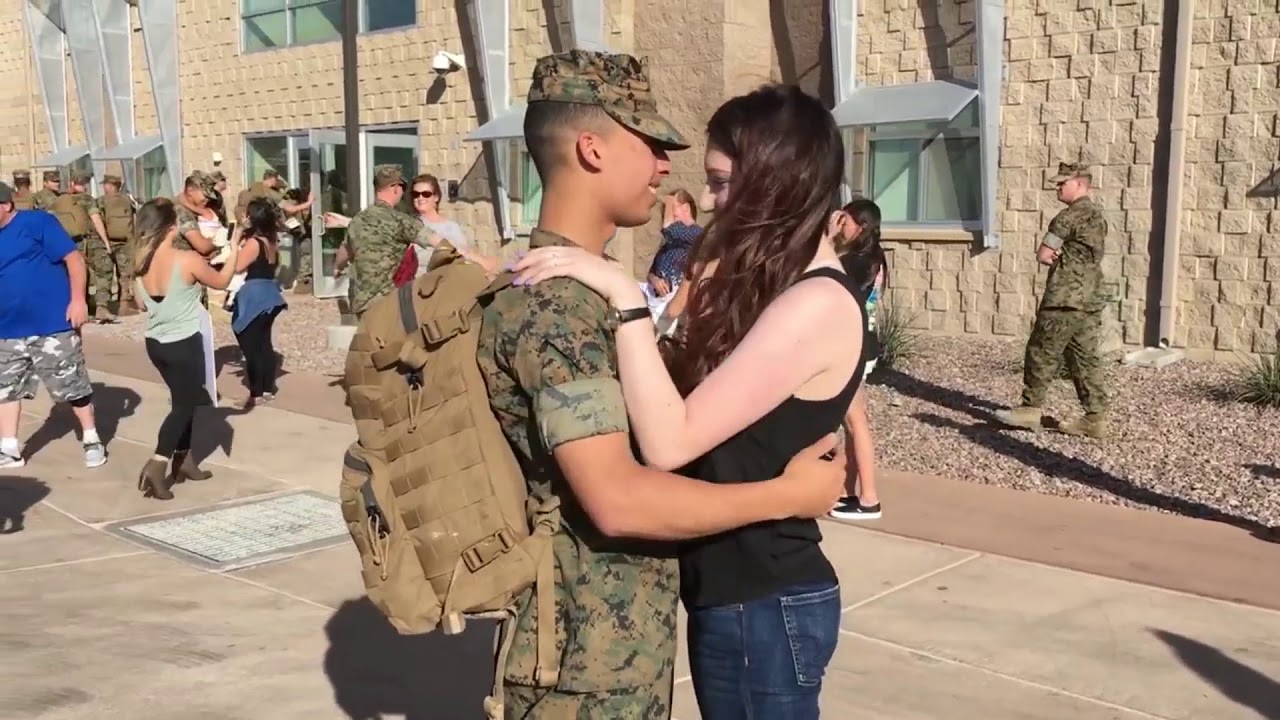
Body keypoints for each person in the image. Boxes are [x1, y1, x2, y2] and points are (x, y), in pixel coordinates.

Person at [481, 53, 847, 719]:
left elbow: (670, 432)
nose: (667, 172)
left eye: (719, 180)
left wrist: (634, 306)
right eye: (650, 145)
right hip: (588, 650)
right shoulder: (560, 304)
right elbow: (621, 496)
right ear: (591, 149)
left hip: (661, 626)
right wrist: (787, 494)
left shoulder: (806, 298)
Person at [996, 162, 1110, 439]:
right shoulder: (1099, 217)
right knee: (1085, 358)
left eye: (1063, 183)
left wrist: (1055, 257)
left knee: (1041, 351)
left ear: (1081, 185)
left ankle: (1029, 409)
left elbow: (1044, 254)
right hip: (1090, 297)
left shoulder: (1067, 217)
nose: (1057, 187)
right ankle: (1094, 417)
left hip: (1063, 297)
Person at [133, 198, 238, 500]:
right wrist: (234, 251)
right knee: (183, 405)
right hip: (184, 341)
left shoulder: (139, 263)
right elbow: (220, 282)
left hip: (156, 343)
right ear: (172, 227)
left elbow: (142, 303)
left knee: (185, 400)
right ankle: (158, 463)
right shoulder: (185, 259)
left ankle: (184, 461)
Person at [0, 181, 107, 470]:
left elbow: (73, 259)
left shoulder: (38, 223)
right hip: (7, 328)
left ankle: (91, 438)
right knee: (6, 388)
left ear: (6, 205)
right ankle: (8, 448)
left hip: (51, 323)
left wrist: (78, 301)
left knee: (72, 385)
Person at [827, 198, 885, 521]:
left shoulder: (858, 262)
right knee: (854, 421)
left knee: (856, 421)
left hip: (854, 347)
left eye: (844, 221)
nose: (840, 226)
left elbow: (828, 285)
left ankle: (869, 498)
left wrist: (827, 241)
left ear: (861, 226)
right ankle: (850, 493)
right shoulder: (873, 257)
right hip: (864, 346)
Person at [343, 165, 437, 319]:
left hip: (363, 307)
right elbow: (439, 242)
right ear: (395, 188)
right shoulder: (400, 221)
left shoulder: (357, 220)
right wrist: (480, 260)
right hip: (390, 305)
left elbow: (345, 252)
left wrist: (336, 268)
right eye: (403, 187)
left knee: (368, 342)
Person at [230, 198, 287, 408]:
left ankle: (255, 393)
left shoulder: (255, 243)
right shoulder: (271, 241)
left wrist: (235, 243)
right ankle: (268, 388)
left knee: (250, 343)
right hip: (270, 294)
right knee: (264, 342)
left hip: (255, 294)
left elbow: (236, 267)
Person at [49, 173, 117, 323]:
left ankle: (74, 305)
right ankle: (101, 307)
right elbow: (96, 219)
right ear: (84, 185)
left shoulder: (57, 201)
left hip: (64, 242)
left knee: (71, 274)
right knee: (102, 271)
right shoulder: (87, 199)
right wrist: (106, 241)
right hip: (87, 242)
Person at [643, 188, 700, 311]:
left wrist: (668, 201)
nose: (668, 213)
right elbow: (651, 273)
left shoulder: (697, 234)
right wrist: (656, 280)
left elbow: (670, 229)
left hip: (680, 303)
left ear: (686, 208)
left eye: (673, 208)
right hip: (659, 302)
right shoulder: (668, 244)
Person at [97, 174, 139, 317]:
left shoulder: (101, 201)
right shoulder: (127, 199)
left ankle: (102, 307)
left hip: (106, 242)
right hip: (126, 241)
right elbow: (135, 217)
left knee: (104, 276)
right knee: (125, 275)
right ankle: (124, 305)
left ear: (108, 186)